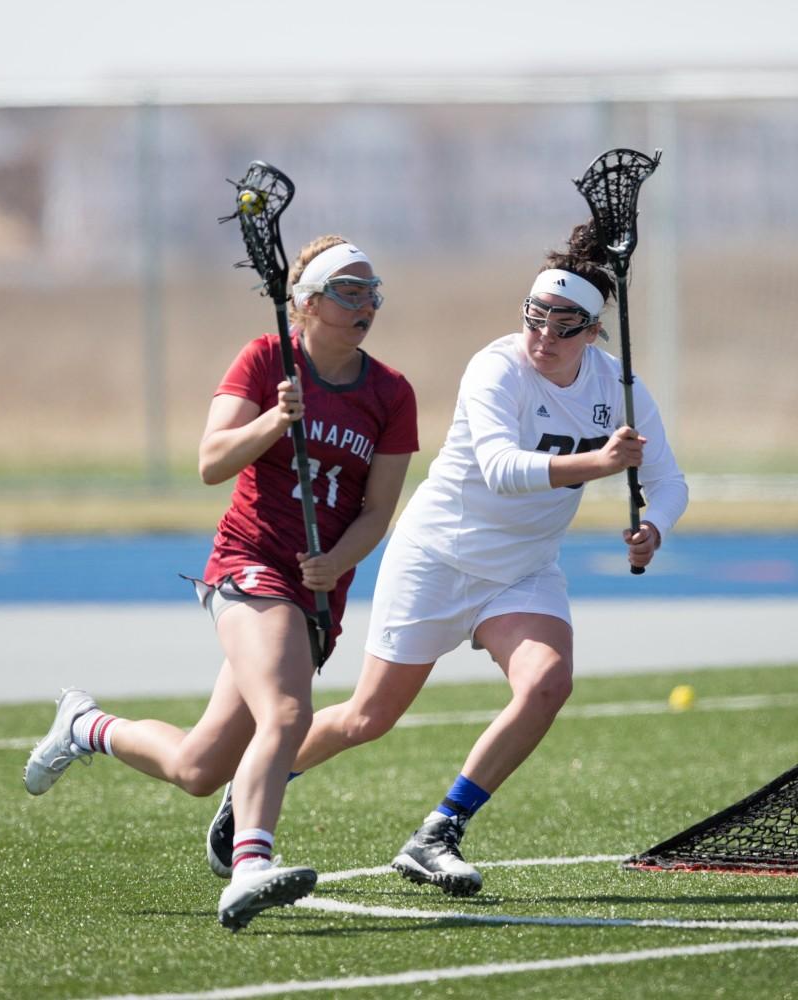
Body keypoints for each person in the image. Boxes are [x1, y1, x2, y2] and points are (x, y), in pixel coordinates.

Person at [205, 219, 688, 896]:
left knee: (548, 683)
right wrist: (600, 462)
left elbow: (668, 481)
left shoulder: (619, 387)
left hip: (522, 569)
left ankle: (439, 831)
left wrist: (655, 528)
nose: (544, 338)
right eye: (535, 319)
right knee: (368, 718)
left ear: (594, 330)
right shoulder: (497, 367)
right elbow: (500, 468)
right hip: (438, 555)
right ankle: (259, 780)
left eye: (565, 325)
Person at [22, 235, 419, 930]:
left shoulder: (391, 392)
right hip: (250, 563)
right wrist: (275, 417)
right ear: (306, 302)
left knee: (199, 768)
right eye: (349, 291)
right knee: (288, 715)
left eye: (371, 289)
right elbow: (211, 462)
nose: (367, 302)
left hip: (317, 590)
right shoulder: (267, 360)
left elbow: (379, 509)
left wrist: (337, 561)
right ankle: (250, 867)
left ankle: (86, 726)